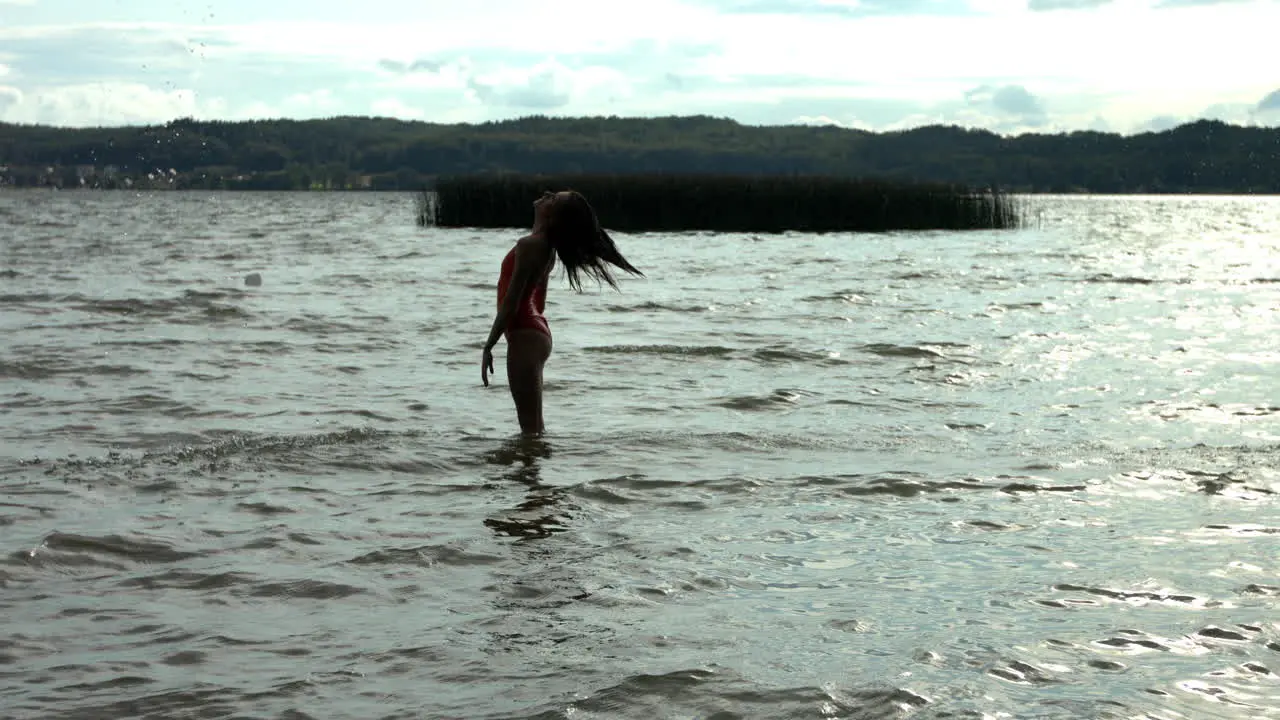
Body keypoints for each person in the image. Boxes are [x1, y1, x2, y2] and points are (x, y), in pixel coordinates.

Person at [481, 190, 644, 435]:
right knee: (534, 428)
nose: (547, 194)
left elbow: (511, 302)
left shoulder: (530, 245)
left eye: (554, 198)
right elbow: (539, 300)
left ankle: (528, 472)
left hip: (525, 334)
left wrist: (488, 345)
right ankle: (534, 470)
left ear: (552, 216)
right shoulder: (545, 248)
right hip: (536, 331)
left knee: (530, 431)